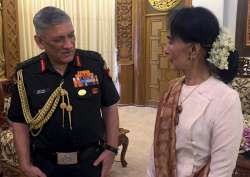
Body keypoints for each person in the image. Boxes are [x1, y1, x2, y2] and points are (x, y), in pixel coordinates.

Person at [8, 6, 120, 177]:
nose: (68, 45)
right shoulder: (26, 74)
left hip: (90, 162)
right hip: (45, 166)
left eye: (71, 35)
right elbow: (19, 121)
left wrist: (111, 149)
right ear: (39, 41)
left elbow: (110, 106)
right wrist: (25, 164)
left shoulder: (94, 64)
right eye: (58, 40)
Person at [147, 7, 243, 177]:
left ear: (193, 50)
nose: (166, 50)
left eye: (170, 41)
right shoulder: (172, 88)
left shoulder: (225, 99)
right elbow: (156, 150)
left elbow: (221, 171)